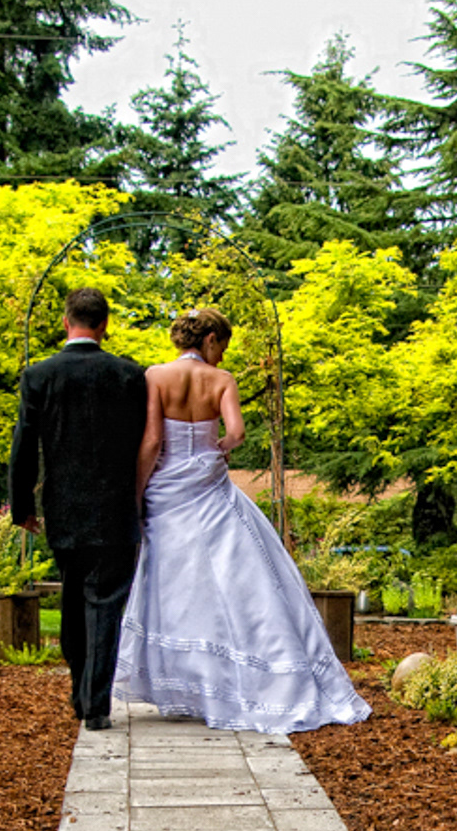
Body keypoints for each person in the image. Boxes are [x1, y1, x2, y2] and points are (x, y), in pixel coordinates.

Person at [113, 307, 371, 733]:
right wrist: (220, 448)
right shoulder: (223, 381)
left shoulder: (155, 376)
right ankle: (246, 676)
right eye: (222, 346)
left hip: (167, 491)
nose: (221, 355)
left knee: (175, 585)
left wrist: (137, 494)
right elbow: (237, 432)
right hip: (208, 487)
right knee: (232, 578)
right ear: (210, 339)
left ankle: (192, 683)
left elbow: (153, 440)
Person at [9, 287, 147, 730]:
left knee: (72, 598)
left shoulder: (40, 375)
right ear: (104, 326)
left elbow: (24, 446)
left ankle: (80, 691)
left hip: (64, 507)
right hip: (115, 508)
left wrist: (21, 504)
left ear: (67, 323)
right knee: (105, 603)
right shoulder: (129, 376)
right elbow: (146, 443)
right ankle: (95, 704)